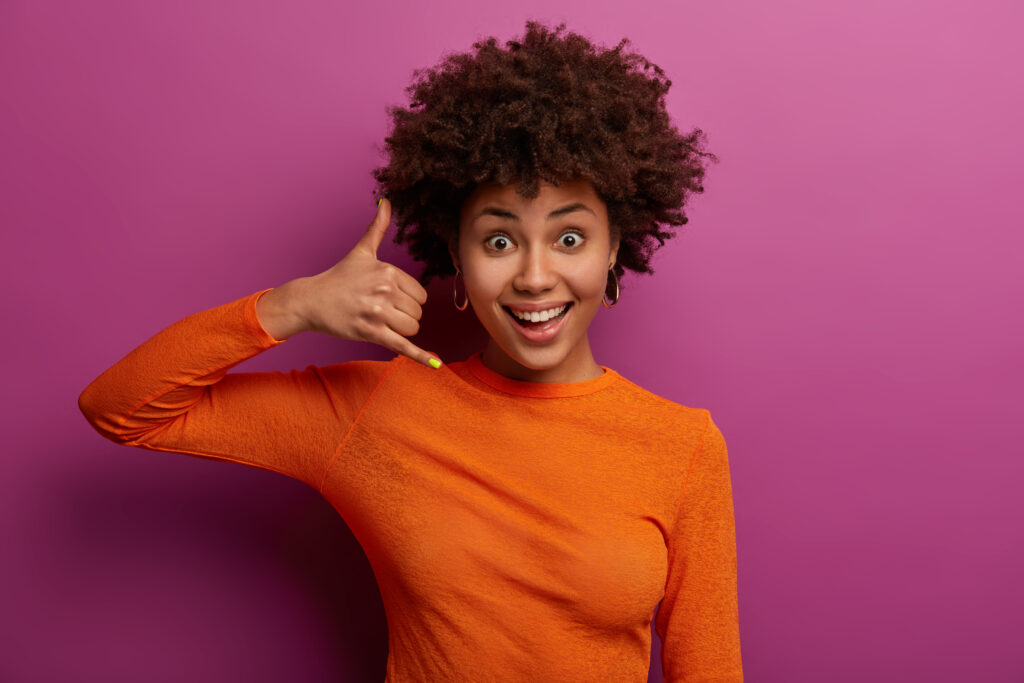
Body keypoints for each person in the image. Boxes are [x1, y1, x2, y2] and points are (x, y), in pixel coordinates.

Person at [78, 20, 741, 682]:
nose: (536, 277)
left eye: (569, 239)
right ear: (458, 255)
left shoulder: (682, 447)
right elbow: (121, 409)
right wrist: (292, 306)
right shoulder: (377, 411)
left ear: (614, 248)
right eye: (500, 241)